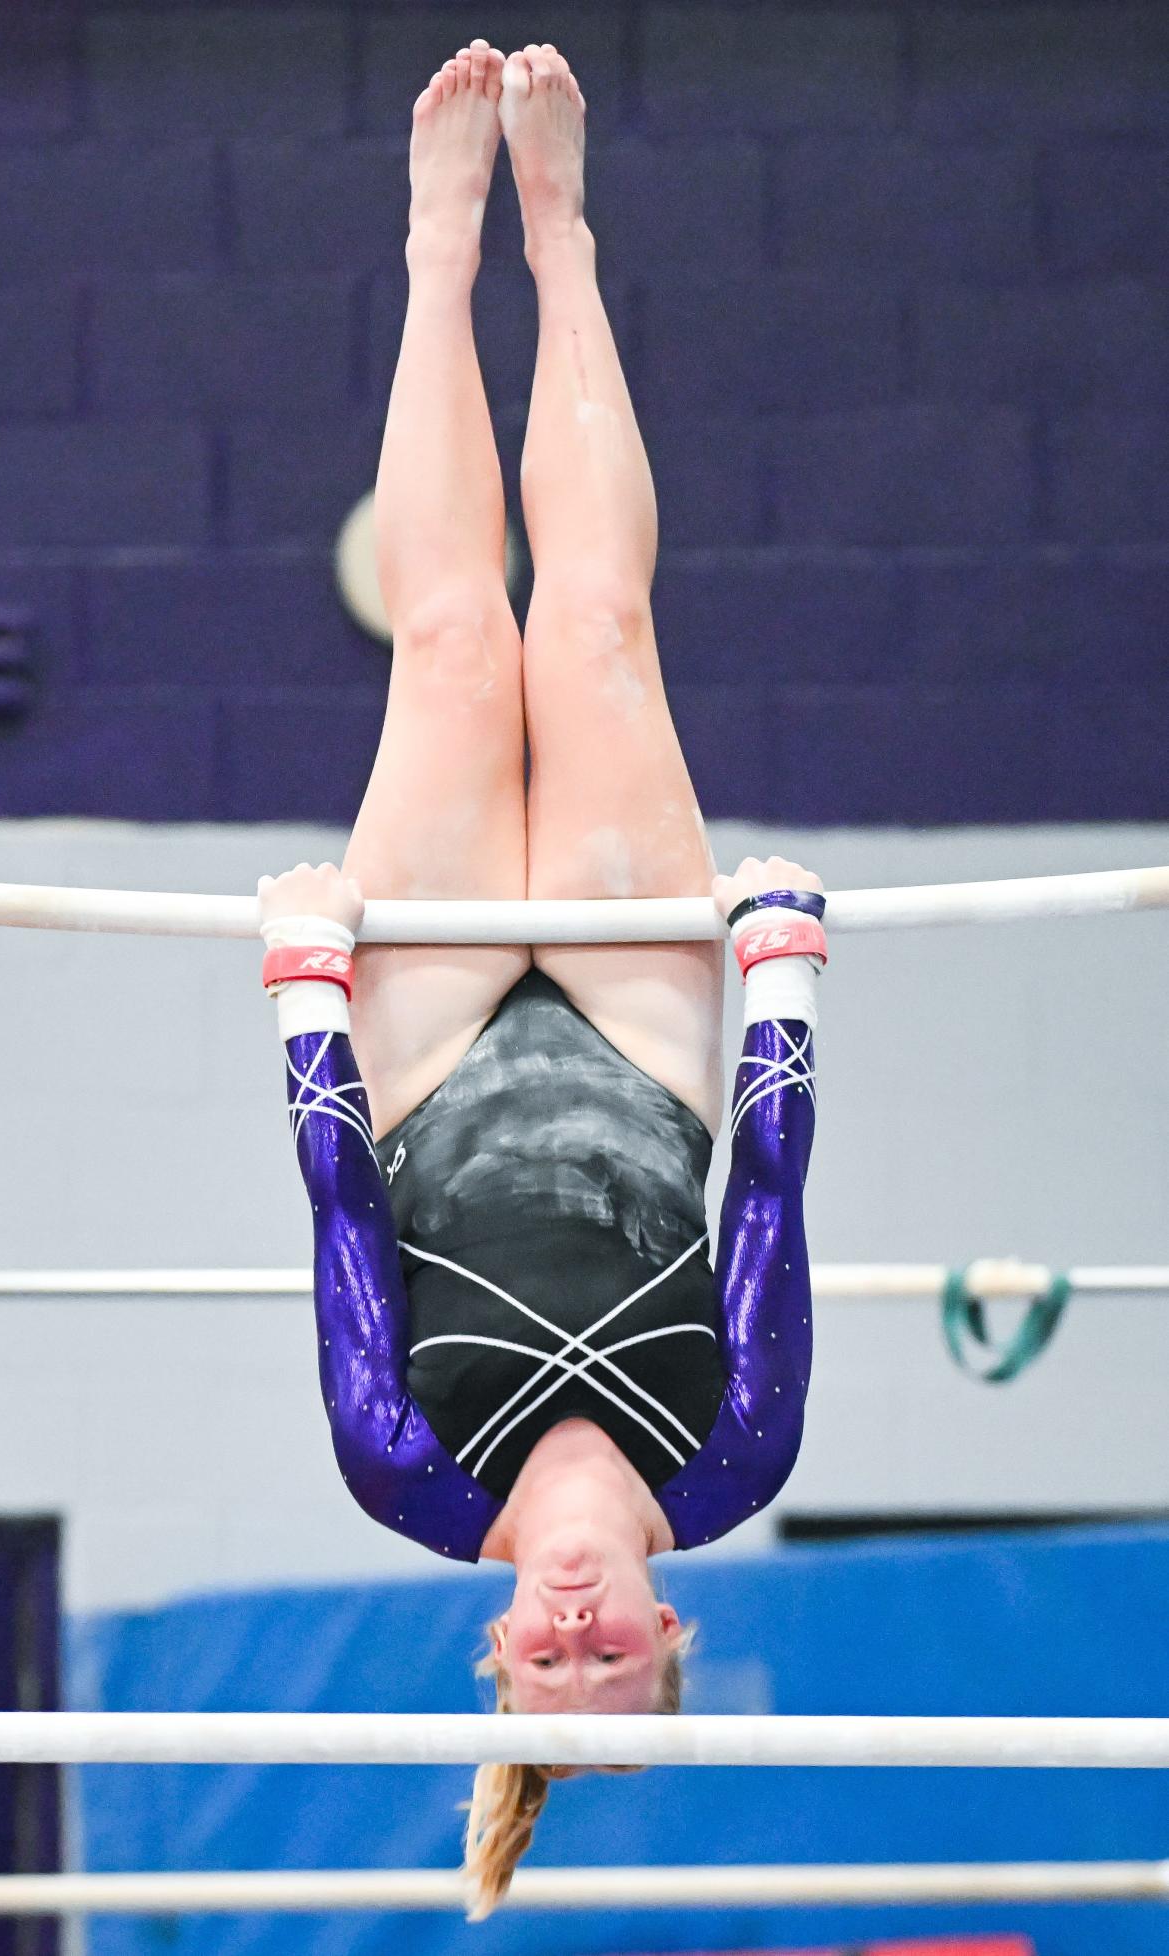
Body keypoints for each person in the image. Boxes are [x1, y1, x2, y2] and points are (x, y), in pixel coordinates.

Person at [255, 40, 825, 1915]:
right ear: (671, 1632)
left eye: (550, 1666)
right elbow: (768, 1194)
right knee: (585, 624)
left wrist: (310, 999)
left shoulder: (404, 1480)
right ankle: (564, 238)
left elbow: (341, 1214)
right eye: (619, 1659)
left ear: (499, 1656)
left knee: (447, 638)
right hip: (646, 1046)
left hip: (416, 1073)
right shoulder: (732, 1455)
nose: (579, 1632)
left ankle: (433, 248)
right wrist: (783, 978)